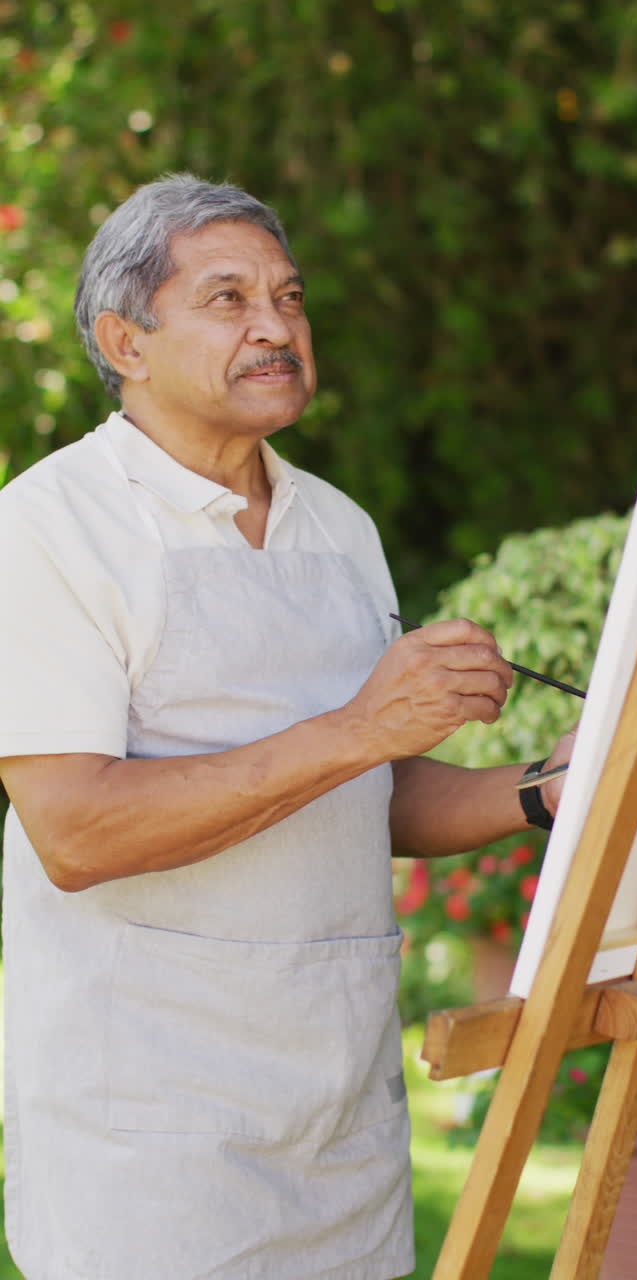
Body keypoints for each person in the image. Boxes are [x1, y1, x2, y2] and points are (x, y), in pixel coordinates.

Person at [0, 174, 573, 1280]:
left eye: (292, 296)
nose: (277, 326)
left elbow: (376, 793)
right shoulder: (45, 528)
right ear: (127, 340)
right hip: (149, 1143)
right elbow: (76, 832)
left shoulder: (339, 527)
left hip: (337, 1123)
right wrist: (361, 725)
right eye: (229, 299)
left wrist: (548, 784)